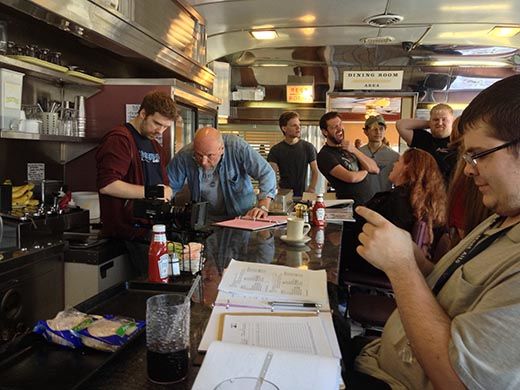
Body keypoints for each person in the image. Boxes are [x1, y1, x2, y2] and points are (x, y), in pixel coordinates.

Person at [351, 74, 520, 389]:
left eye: (479, 155)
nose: (468, 169)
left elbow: (458, 379)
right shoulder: (500, 219)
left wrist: (401, 268)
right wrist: (415, 259)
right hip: (380, 359)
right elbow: (448, 293)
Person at [96, 90, 176, 276]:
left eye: (165, 127)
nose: (160, 131)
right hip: (126, 236)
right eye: (157, 123)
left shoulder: (155, 146)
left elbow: (163, 187)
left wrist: (167, 192)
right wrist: (152, 192)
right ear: (142, 113)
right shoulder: (120, 139)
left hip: (151, 234)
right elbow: (108, 185)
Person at [348, 148, 447, 275]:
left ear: (407, 167)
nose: (394, 164)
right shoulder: (418, 200)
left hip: (369, 262)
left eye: (398, 161)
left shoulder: (399, 200)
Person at [167, 127, 276, 222]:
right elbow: (169, 185)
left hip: (243, 217)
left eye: (210, 156)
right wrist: (164, 196)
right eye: (199, 155)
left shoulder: (236, 147)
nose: (204, 162)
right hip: (207, 220)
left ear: (222, 149)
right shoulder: (185, 155)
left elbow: (266, 173)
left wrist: (263, 206)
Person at [316, 111, 379, 205]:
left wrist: (354, 150)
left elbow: (375, 169)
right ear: (325, 132)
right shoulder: (324, 155)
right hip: (351, 207)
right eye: (334, 127)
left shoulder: (349, 148)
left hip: (370, 203)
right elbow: (351, 178)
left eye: (340, 124)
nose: (339, 129)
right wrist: (365, 171)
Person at [396, 103, 455, 181]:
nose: (440, 123)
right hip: (427, 189)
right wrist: (430, 123)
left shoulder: (459, 141)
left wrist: (435, 123)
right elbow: (401, 125)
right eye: (436, 119)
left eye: (444, 119)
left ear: (452, 121)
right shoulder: (424, 139)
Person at [267, 111, 318, 197]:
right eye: (294, 125)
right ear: (284, 128)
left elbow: (315, 170)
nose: (298, 128)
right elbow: (272, 173)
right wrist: (274, 191)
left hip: (303, 194)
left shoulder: (308, 147)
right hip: (284, 195)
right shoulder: (275, 150)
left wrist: (311, 188)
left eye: (299, 125)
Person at [359, 115, 399, 195]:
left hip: (385, 202)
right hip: (363, 201)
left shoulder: (394, 156)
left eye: (381, 129)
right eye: (374, 129)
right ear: (366, 131)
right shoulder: (358, 153)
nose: (378, 132)